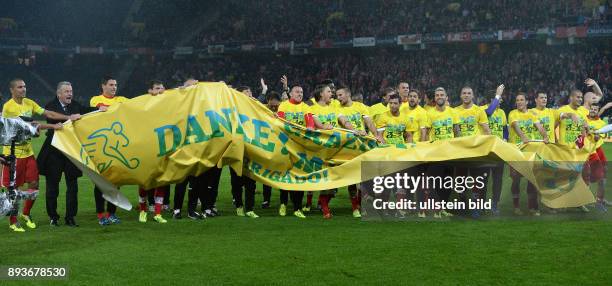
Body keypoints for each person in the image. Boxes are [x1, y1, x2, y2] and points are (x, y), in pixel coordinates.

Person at [3, 78, 79, 232]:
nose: (23, 89)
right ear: (12, 90)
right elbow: (28, 126)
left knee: (34, 184)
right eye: (19, 87)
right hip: (13, 154)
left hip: (28, 152)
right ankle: (13, 220)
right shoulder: (8, 108)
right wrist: (52, 126)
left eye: (24, 86)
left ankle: (25, 213)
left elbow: (47, 113)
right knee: (14, 189)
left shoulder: (29, 103)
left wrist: (67, 117)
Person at [38, 81, 100, 227]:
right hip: (54, 151)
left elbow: (87, 110)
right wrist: (70, 117)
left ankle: (70, 217)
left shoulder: (76, 105)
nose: (70, 94)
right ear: (58, 93)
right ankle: (53, 217)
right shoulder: (50, 106)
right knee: (52, 186)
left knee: (73, 186)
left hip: (71, 150)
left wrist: (100, 109)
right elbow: (52, 118)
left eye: (71, 91)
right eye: (66, 91)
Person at [90, 75, 128, 225]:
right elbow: (100, 107)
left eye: (116, 85)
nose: (114, 87)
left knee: (116, 182)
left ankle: (111, 213)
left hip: (118, 147)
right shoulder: (95, 99)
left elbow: (141, 105)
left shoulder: (122, 100)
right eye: (111, 85)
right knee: (100, 182)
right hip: (101, 147)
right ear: (103, 86)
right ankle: (100, 214)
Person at [337, 87, 381, 218]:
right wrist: (355, 130)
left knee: (365, 176)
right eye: (337, 95)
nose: (338, 97)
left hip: (363, 144)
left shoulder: (360, 106)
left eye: (340, 95)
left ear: (348, 94)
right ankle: (354, 207)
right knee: (351, 177)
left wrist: (376, 135)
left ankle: (362, 204)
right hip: (348, 146)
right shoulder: (337, 108)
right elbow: (345, 122)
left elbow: (369, 122)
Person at [508, 92, 549, 216]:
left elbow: (539, 127)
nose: (519, 102)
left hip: (530, 152)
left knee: (532, 180)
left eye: (522, 100)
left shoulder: (532, 114)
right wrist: (523, 136)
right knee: (516, 179)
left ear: (527, 102)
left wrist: (545, 136)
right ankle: (516, 206)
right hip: (516, 151)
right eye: (517, 100)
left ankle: (533, 207)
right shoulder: (512, 113)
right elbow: (515, 126)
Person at [453, 86, 491, 218]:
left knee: (477, 180)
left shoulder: (479, 111)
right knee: (460, 180)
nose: (466, 95)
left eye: (469, 93)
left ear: (473, 96)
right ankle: (462, 206)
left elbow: (486, 130)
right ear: (460, 95)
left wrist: (488, 147)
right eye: (464, 93)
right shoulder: (454, 111)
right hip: (460, 151)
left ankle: (475, 208)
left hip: (475, 151)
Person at [422, 87, 460, 218]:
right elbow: (426, 133)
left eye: (441, 95)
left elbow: (457, 131)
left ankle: (442, 207)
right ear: (435, 98)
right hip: (435, 152)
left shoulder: (453, 112)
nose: (439, 97)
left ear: (446, 97)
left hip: (450, 152)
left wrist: (458, 148)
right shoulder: (429, 113)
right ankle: (437, 208)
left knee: (447, 183)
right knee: (435, 182)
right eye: (437, 95)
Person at [276, 84, 311, 218]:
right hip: (286, 146)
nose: (300, 94)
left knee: (300, 177)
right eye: (297, 92)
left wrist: (309, 129)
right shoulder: (284, 105)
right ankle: (283, 204)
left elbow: (310, 124)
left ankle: (297, 208)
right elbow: (280, 122)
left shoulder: (305, 107)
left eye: (301, 92)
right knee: (285, 176)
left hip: (301, 147)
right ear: (290, 94)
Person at [137, 80, 168, 224]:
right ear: (151, 90)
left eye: (162, 89)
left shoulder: (170, 103)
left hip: (163, 146)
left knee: (160, 180)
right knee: (145, 181)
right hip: (147, 146)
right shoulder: (145, 102)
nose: (160, 91)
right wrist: (149, 94)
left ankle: (157, 213)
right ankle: (143, 211)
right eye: (157, 88)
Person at [481, 84, 507, 214]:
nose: (501, 101)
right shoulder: (482, 109)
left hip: (498, 151)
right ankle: (481, 205)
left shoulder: (502, 113)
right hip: (486, 151)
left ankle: (494, 204)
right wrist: (498, 94)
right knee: (483, 179)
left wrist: (506, 140)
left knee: (498, 179)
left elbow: (504, 129)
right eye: (498, 99)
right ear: (492, 100)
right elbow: (488, 113)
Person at [260, 91, 282, 209]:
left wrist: (286, 89)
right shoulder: (262, 108)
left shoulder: (283, 110)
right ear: (267, 102)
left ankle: (283, 201)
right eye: (271, 106)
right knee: (267, 174)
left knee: (283, 174)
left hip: (282, 146)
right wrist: (263, 92)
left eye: (276, 106)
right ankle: (266, 200)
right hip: (267, 145)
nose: (274, 107)